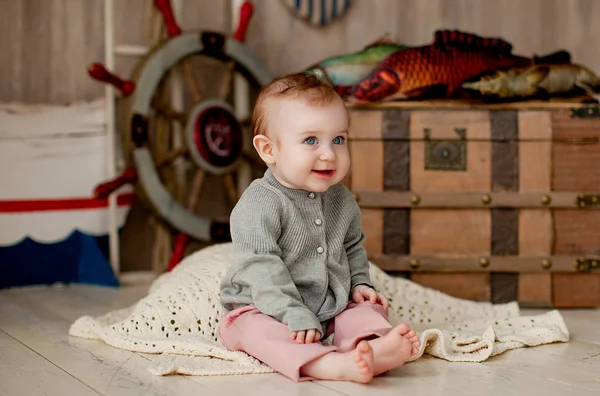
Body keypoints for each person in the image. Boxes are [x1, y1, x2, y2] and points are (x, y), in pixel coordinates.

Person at [218, 72, 420, 383]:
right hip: (265, 306)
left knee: (362, 313)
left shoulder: (341, 199)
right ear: (268, 149)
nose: (329, 153)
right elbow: (261, 265)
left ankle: (373, 346)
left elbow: (351, 246)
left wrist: (360, 285)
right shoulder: (259, 204)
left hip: (329, 304)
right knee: (255, 333)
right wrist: (291, 311)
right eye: (311, 140)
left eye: (338, 139)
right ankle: (330, 366)